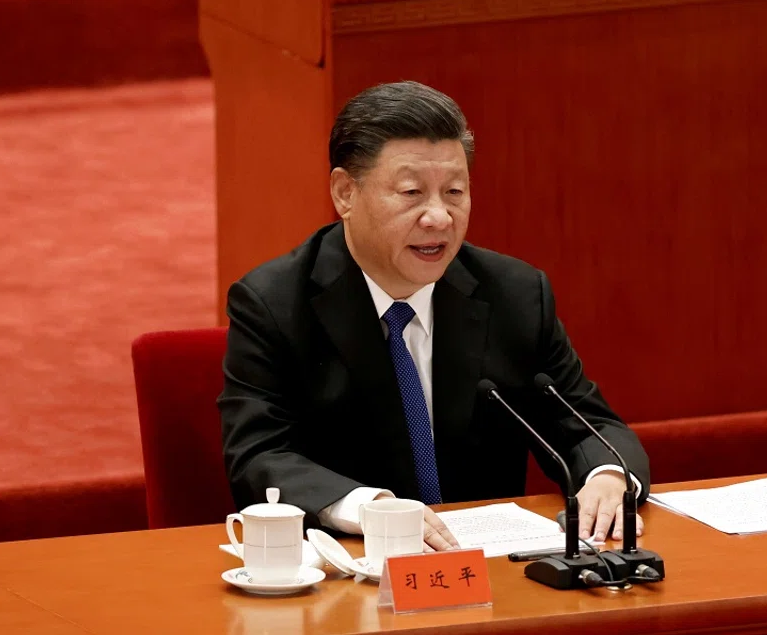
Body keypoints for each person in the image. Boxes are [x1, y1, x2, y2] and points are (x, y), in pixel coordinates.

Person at [219, 81, 649, 551]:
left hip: (493, 577)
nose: (440, 217)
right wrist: (368, 507)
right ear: (345, 193)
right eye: (411, 193)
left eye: (455, 192)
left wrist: (608, 476)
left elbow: (589, 424)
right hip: (355, 573)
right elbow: (258, 454)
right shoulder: (274, 303)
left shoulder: (515, 294)